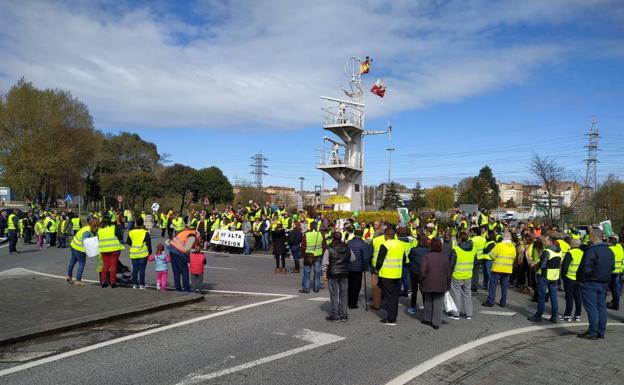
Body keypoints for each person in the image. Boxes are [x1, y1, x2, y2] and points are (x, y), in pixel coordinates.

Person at [577, 229, 615, 339]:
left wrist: (582, 280)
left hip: (591, 282)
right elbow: (612, 267)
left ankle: (593, 331)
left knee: (592, 308)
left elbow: (586, 268)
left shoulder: (591, 251)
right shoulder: (609, 251)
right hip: (603, 282)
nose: (589, 238)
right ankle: (601, 331)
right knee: (601, 307)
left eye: (590, 236)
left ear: (593, 237)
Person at [376, 227, 408, 326]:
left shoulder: (385, 245)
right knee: (394, 297)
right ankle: (393, 316)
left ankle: (391, 318)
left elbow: (380, 260)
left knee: (388, 297)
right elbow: (404, 260)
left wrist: (377, 269)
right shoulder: (400, 244)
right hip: (397, 274)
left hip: (386, 274)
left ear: (386, 235)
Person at [528, 235, 562, 323]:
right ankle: (554, 317)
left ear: (550, 241)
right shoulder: (559, 251)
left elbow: (542, 265)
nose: (544, 243)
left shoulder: (547, 251)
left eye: (546, 241)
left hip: (544, 275)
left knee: (541, 297)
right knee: (554, 297)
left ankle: (538, 316)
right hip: (554, 276)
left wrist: (535, 265)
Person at [419, 238, 450, 330]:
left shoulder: (427, 256)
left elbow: (422, 270)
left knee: (428, 301)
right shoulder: (445, 257)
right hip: (441, 283)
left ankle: (427, 318)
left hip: (428, 282)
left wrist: (421, 279)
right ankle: (436, 322)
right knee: (438, 303)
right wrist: (448, 284)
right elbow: (448, 272)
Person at [323, 232, 352, 322]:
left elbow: (325, 263)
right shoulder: (347, 247)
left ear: (333, 238)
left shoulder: (329, 248)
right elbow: (352, 258)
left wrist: (324, 274)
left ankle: (335, 315)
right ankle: (344, 315)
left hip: (333, 273)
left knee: (334, 294)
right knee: (344, 294)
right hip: (344, 272)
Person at [483, 231, 516, 307]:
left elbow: (492, 255)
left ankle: (491, 301)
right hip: (507, 269)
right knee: (504, 286)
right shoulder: (512, 247)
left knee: (493, 285)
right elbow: (514, 257)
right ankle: (503, 302)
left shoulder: (499, 245)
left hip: (497, 268)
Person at [448, 232, 475, 320]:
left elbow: (451, 265)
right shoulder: (473, 248)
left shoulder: (456, 250)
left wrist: (448, 276)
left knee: (456, 294)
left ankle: (456, 314)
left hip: (457, 275)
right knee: (467, 294)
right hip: (468, 275)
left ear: (459, 239)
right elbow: (476, 260)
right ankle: (469, 314)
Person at [66, 217, 99, 286]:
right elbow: (85, 241)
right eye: (98, 226)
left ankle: (69, 276)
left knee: (72, 261)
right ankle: (78, 280)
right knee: (82, 263)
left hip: (74, 245)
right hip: (79, 248)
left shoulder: (86, 228)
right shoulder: (87, 232)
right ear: (95, 226)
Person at [167, 225, 199, 292]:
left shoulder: (184, 232)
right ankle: (186, 289)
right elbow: (186, 248)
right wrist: (188, 257)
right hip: (178, 252)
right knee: (184, 271)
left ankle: (178, 288)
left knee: (176, 271)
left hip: (171, 250)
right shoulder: (192, 235)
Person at [559, 238, 583, 321]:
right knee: (578, 297)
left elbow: (565, 267)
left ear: (571, 244)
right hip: (579, 278)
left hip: (569, 278)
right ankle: (577, 315)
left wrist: (563, 277)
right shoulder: (582, 253)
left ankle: (567, 315)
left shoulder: (570, 253)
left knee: (569, 297)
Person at [346, 228, 371, 309]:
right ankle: (353, 303)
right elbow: (366, 257)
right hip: (358, 268)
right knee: (357, 286)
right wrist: (365, 267)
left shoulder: (349, 243)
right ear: (362, 235)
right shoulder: (363, 244)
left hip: (349, 267)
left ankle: (349, 301)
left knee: (350, 285)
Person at [98, 216, 125, 288]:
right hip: (114, 249)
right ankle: (113, 282)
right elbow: (120, 236)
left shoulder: (100, 229)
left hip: (104, 249)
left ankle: (104, 282)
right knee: (113, 266)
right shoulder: (113, 228)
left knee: (105, 266)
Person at [299, 222, 326, 294]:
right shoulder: (321, 234)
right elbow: (324, 246)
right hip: (318, 256)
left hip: (308, 256)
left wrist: (304, 255)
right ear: (317, 227)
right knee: (317, 273)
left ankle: (306, 289)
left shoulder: (306, 235)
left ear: (310, 227)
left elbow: (303, 247)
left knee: (307, 273)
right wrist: (320, 252)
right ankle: (316, 289)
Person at [127, 217, 152, 289]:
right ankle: (142, 285)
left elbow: (128, 242)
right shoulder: (145, 232)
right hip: (143, 253)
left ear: (136, 223)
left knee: (135, 269)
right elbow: (148, 243)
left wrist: (134, 244)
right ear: (142, 223)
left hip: (134, 253)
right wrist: (149, 252)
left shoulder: (131, 232)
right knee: (142, 270)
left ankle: (134, 284)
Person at [407, 235, 430, 315]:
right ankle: (425, 306)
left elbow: (409, 257)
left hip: (415, 271)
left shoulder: (414, 250)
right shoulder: (429, 250)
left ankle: (413, 307)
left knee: (414, 290)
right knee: (424, 290)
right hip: (424, 272)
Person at [607, 234, 623, 310]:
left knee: (605, 288)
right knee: (615, 289)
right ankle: (616, 304)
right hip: (618, 271)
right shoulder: (620, 247)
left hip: (609, 271)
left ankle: (601, 304)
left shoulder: (609, 249)